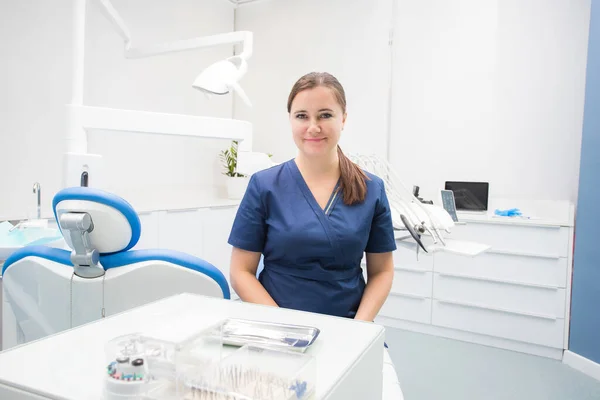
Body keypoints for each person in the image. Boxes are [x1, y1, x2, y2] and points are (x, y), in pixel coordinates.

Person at [227, 71, 396, 322]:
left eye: (325, 115)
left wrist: (359, 327)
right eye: (302, 116)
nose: (313, 127)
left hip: (348, 324)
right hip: (275, 323)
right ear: (291, 120)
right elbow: (241, 271)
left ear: (343, 119)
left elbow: (382, 271)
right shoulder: (264, 186)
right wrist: (286, 326)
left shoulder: (371, 189)